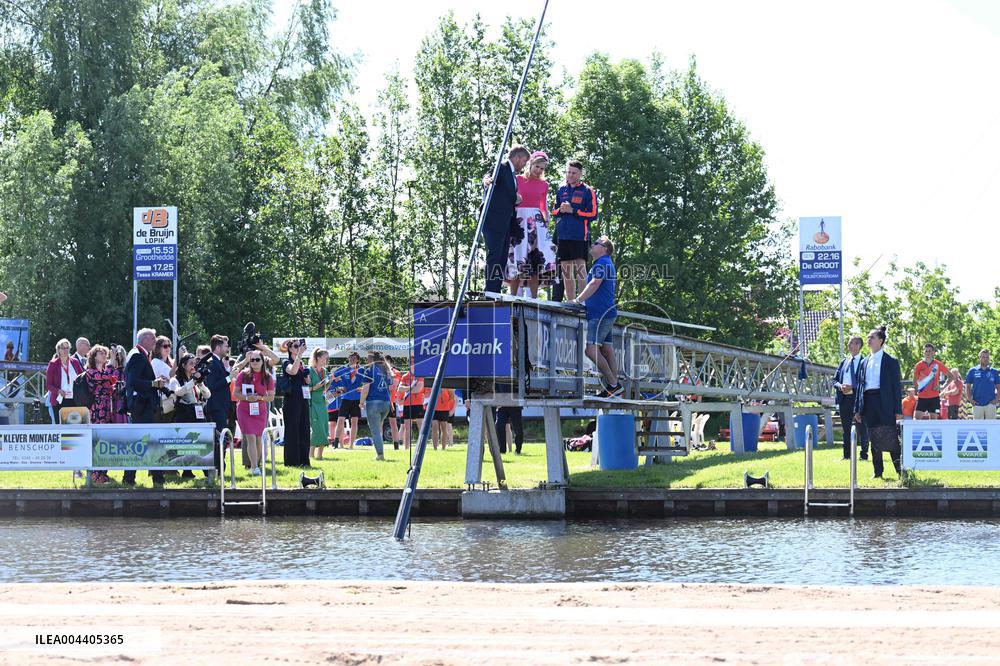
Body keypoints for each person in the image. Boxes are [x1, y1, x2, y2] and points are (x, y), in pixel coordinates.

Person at [572, 236, 621, 397]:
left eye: (596, 243)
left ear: (605, 249)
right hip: (606, 313)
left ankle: (613, 385)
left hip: (599, 314)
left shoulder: (602, 264)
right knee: (607, 349)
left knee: (591, 350)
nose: (592, 245)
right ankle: (614, 387)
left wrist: (578, 300)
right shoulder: (606, 263)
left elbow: (594, 283)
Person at [854, 326, 903, 479]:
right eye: (868, 337)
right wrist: (858, 409)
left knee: (890, 436)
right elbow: (860, 387)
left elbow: (896, 387)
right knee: (873, 436)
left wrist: (898, 410)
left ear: (880, 341)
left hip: (885, 403)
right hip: (869, 401)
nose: (868, 340)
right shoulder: (864, 362)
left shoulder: (891, 361)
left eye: (872, 337)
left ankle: (900, 470)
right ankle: (878, 472)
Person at [507, 150, 557, 297]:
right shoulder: (517, 179)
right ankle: (513, 297)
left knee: (535, 262)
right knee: (516, 259)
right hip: (519, 221)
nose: (539, 171)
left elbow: (544, 207)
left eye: (542, 169)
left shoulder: (544, 184)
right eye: (537, 167)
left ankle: (533, 299)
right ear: (530, 164)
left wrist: (546, 224)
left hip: (536, 224)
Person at [123, 328, 168, 488]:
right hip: (141, 405)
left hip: (142, 404)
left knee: (144, 441)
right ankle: (154, 477)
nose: (155, 342)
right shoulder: (137, 355)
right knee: (147, 441)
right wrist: (153, 383)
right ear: (144, 340)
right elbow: (133, 381)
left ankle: (133, 477)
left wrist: (153, 382)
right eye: (153, 339)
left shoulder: (139, 354)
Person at [482, 145, 530, 294]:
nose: (524, 165)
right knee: (494, 255)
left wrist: (515, 198)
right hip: (493, 220)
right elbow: (489, 176)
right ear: (517, 158)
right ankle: (490, 290)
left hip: (505, 222)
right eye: (524, 162)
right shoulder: (501, 167)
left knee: (501, 258)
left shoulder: (513, 175)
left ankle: (495, 290)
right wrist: (487, 181)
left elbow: (506, 194)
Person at [552, 159, 597, 301]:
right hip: (563, 235)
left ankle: (582, 302)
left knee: (580, 270)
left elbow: (593, 214)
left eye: (574, 173)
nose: (570, 175)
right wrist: (561, 210)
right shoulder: (561, 189)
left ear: (580, 174)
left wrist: (573, 211)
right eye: (568, 172)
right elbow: (554, 211)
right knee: (566, 271)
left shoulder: (587, 191)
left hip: (579, 236)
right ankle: (571, 301)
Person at [232, 350, 274, 476]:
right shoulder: (243, 375)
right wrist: (247, 398)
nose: (255, 362)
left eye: (257, 360)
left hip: (260, 410)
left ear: (262, 361)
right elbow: (236, 393)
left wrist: (259, 398)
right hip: (244, 409)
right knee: (250, 437)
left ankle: (257, 464)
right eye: (252, 360)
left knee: (258, 439)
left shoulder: (268, 377)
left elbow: (271, 397)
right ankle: (254, 467)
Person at [84, 345, 118, 484]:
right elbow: (107, 376)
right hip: (97, 410)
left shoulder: (105, 371)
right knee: (97, 440)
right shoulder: (91, 372)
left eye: (105, 353)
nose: (104, 356)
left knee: (106, 440)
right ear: (93, 357)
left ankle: (103, 473)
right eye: (100, 353)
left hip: (107, 409)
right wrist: (113, 361)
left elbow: (110, 380)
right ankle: (96, 476)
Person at [832, 336, 869, 460]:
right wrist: (840, 386)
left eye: (851, 343)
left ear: (858, 345)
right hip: (844, 399)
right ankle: (846, 455)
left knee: (861, 428)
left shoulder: (865, 362)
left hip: (858, 399)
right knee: (846, 428)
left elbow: (866, 381)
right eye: (848, 343)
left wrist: (852, 387)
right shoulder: (844, 362)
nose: (849, 345)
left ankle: (863, 455)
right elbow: (834, 380)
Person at [201, 334, 233, 471]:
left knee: (222, 437)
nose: (228, 348)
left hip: (221, 406)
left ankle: (220, 466)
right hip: (215, 406)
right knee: (219, 439)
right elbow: (212, 385)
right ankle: (216, 467)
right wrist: (229, 378)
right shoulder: (212, 363)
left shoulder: (218, 361)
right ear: (218, 347)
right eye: (226, 346)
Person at [279, 339, 311, 467]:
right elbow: (292, 371)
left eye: (300, 346)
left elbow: (307, 382)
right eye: (296, 346)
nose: (299, 348)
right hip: (291, 399)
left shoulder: (301, 362)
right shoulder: (286, 361)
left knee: (304, 428)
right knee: (292, 430)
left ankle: (304, 460)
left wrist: (306, 375)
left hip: (303, 398)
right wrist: (299, 357)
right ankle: (292, 461)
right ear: (290, 349)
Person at [358, 351, 395, 461]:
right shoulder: (387, 370)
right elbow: (389, 388)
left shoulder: (370, 370)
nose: (366, 361)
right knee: (378, 428)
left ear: (371, 359)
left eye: (367, 359)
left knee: (375, 431)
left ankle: (380, 455)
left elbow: (366, 389)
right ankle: (380, 452)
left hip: (373, 403)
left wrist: (361, 402)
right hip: (386, 404)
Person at [45, 338, 84, 423]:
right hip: (60, 399)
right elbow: (48, 385)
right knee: (61, 426)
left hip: (75, 399)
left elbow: (82, 377)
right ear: (58, 349)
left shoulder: (75, 362)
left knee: (75, 424)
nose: (65, 350)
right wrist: (58, 391)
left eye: (67, 348)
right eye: (63, 348)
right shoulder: (53, 364)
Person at [333, 352, 365, 449]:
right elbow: (333, 378)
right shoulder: (343, 369)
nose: (352, 360)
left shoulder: (362, 369)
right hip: (345, 398)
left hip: (356, 399)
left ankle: (351, 445)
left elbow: (369, 382)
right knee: (340, 420)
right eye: (350, 358)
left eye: (354, 358)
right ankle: (337, 444)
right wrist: (339, 387)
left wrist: (362, 388)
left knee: (354, 421)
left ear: (358, 360)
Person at [307, 349, 335, 460]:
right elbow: (304, 389)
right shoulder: (308, 370)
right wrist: (314, 387)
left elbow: (325, 389)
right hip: (312, 403)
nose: (326, 360)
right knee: (316, 428)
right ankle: (310, 454)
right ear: (318, 358)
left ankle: (320, 455)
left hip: (322, 403)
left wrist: (331, 381)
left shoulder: (324, 371)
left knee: (324, 427)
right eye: (325, 358)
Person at [912, 343, 948, 420]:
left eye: (930, 351)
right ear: (923, 352)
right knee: (916, 419)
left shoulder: (938, 364)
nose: (928, 353)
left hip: (934, 397)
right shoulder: (919, 365)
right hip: (922, 397)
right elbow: (914, 381)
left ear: (933, 352)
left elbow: (951, 376)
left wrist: (942, 387)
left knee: (933, 421)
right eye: (926, 351)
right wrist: (919, 388)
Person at [398, 357, 425, 449]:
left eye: (414, 361)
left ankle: (421, 447)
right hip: (407, 404)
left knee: (420, 426)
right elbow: (400, 388)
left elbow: (418, 389)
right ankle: (406, 448)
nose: (412, 363)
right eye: (410, 361)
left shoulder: (420, 375)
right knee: (407, 427)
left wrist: (407, 388)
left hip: (418, 404)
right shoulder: (405, 376)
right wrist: (411, 388)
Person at [965, 350, 1000, 419]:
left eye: (987, 357)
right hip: (977, 403)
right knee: (978, 428)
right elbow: (967, 386)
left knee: (991, 427)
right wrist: (970, 399)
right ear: (979, 358)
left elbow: (999, 387)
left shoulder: (994, 371)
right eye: (983, 357)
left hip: (991, 403)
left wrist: (997, 399)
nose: (985, 359)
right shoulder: (972, 371)